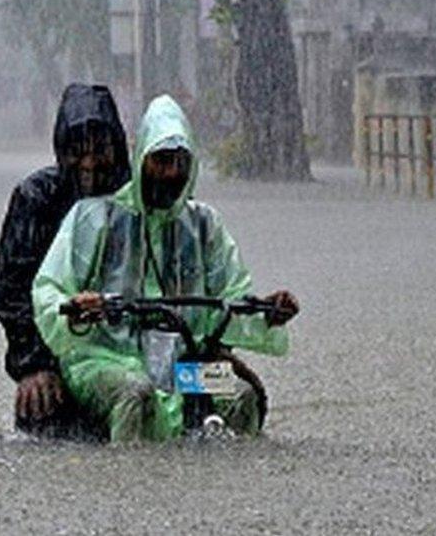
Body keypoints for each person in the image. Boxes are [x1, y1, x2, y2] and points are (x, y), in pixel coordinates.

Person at [32, 95, 299, 442]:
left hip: (185, 366)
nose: (172, 172)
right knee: (135, 394)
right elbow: (49, 289)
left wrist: (267, 313)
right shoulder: (94, 218)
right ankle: (128, 484)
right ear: (142, 158)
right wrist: (75, 310)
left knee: (241, 396)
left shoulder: (205, 225)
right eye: (161, 160)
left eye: (180, 161)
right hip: (106, 359)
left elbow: (231, 297)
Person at [0, 83, 131, 436]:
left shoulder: (138, 198)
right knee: (43, 406)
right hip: (57, 351)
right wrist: (34, 363)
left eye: (100, 150)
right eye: (76, 151)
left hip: (136, 347)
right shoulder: (36, 198)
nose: (89, 163)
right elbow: (11, 291)